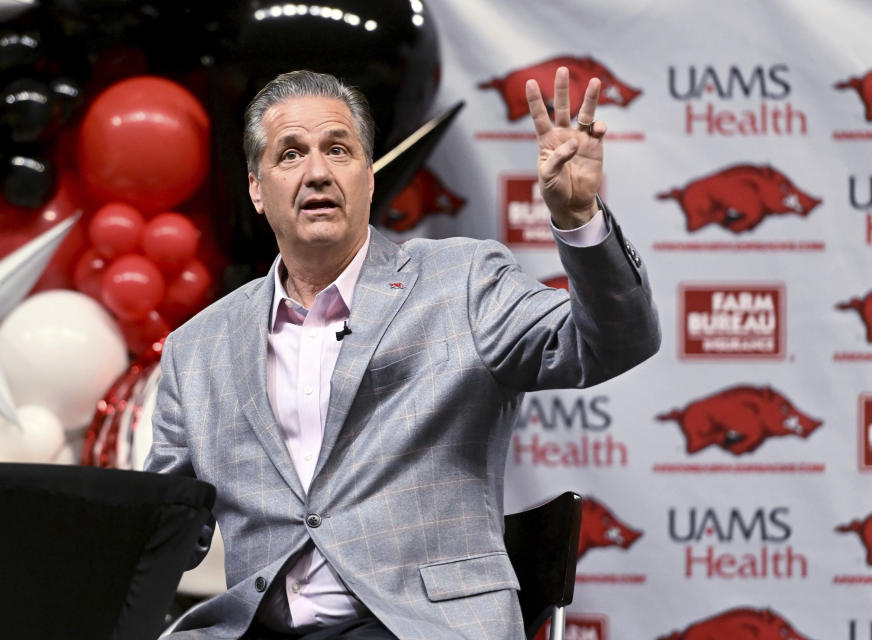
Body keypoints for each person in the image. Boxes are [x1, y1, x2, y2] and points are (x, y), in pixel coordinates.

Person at [147, 68, 660, 640]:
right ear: (256, 189)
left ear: (368, 176)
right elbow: (160, 530)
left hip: (421, 626)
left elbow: (615, 343)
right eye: (290, 154)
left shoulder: (462, 283)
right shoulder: (196, 349)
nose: (316, 172)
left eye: (337, 150)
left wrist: (579, 221)